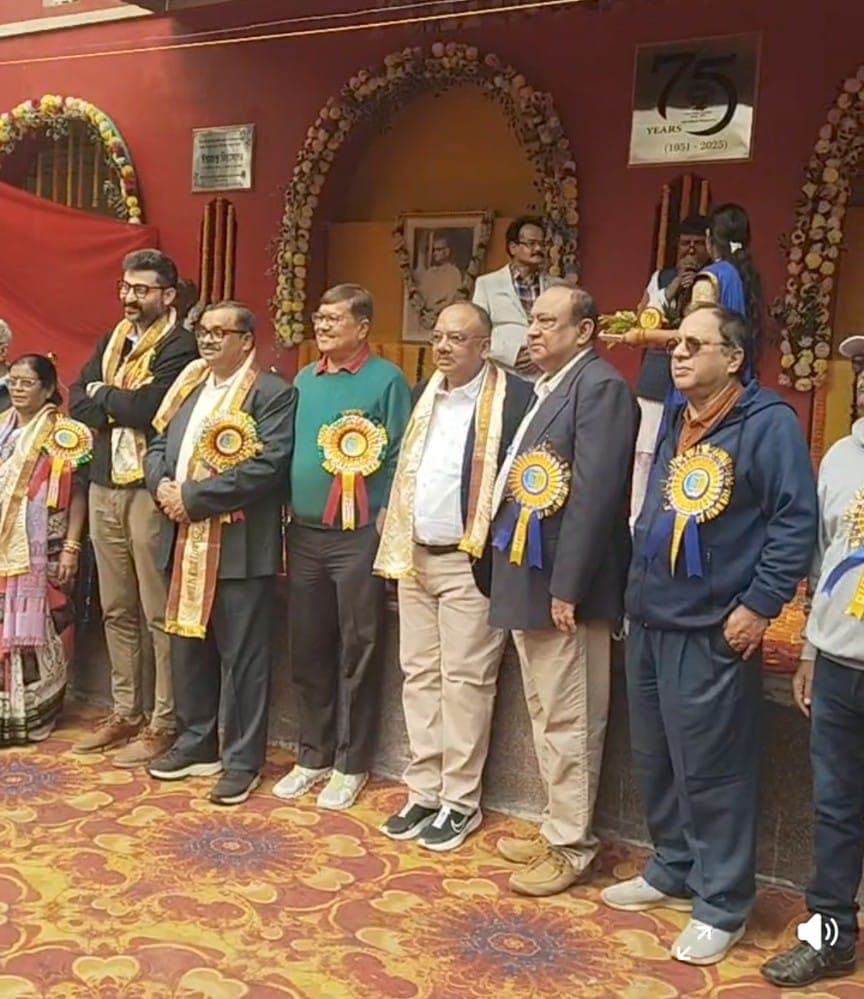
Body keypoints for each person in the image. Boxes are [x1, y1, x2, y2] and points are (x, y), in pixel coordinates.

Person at [604, 305, 818, 966]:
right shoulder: (677, 416)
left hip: (713, 627)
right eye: (677, 343)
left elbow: (794, 523)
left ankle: (722, 900)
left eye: (696, 345)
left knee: (715, 769)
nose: (680, 353)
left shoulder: (768, 424)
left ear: (734, 356)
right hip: (652, 616)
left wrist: (758, 606)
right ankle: (672, 864)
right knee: (657, 754)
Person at [488, 281, 639, 896]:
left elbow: (595, 498)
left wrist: (568, 586)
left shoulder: (600, 387)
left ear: (585, 331)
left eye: (549, 322)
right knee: (547, 711)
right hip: (531, 576)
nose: (534, 332)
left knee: (572, 716)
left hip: (565, 587)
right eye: (532, 321)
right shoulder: (551, 386)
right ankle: (555, 825)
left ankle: (573, 844)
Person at [374, 302, 533, 851]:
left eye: (457, 339)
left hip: (469, 563)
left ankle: (459, 802)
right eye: (438, 337)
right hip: (414, 556)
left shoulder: (513, 400)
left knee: (465, 682)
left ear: (484, 347)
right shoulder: (427, 393)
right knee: (418, 674)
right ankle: (424, 789)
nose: (443, 347)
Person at [144, 301, 296, 806]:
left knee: (244, 659)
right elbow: (158, 444)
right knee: (189, 647)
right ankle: (196, 742)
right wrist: (164, 486)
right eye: (203, 332)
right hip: (182, 538)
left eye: (219, 333)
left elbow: (268, 465)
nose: (208, 341)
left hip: (239, 549)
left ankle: (242, 761)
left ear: (246, 340)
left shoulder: (272, 393)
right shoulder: (189, 385)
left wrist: (192, 498)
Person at [274, 284, 411, 810]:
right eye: (318, 315)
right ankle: (312, 755)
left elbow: (401, 455)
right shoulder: (305, 377)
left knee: (359, 647)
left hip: (358, 537)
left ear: (362, 327)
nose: (323, 325)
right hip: (304, 532)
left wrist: (382, 522)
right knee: (307, 647)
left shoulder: (388, 381)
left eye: (334, 318)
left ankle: (351, 764)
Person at [761, 336, 864, 988]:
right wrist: (809, 650)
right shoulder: (841, 458)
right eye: (863, 369)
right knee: (835, 807)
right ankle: (833, 933)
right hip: (839, 665)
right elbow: (824, 560)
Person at [69, 249, 199, 765]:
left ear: (167, 295)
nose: (129, 297)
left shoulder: (180, 346)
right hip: (103, 485)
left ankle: (164, 719)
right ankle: (125, 711)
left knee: (155, 609)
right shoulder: (112, 339)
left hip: (148, 490)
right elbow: (77, 397)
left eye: (141, 289)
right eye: (125, 287)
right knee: (115, 606)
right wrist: (107, 398)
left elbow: (151, 410)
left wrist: (107, 397)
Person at [0, 354, 91, 743]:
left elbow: (80, 491)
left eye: (27, 383)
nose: (18, 390)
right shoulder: (2, 428)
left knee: (41, 630)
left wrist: (71, 545)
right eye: (13, 382)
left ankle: (37, 712)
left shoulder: (65, 433)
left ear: (50, 389)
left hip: (44, 545)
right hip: (4, 539)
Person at [631, 217, 708, 525]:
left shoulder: (715, 280)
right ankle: (637, 519)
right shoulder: (662, 277)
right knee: (644, 453)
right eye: (684, 244)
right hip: (656, 376)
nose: (690, 250)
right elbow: (642, 318)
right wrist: (675, 285)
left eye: (697, 244)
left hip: (694, 377)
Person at [472, 216, 552, 379]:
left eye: (542, 244)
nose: (538, 248)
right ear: (513, 247)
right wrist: (512, 354)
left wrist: (540, 355)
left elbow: (565, 330)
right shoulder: (487, 284)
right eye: (531, 243)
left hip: (545, 373)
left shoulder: (557, 287)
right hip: (502, 371)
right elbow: (476, 332)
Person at [416, 233, 463, 319]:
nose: (435, 253)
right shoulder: (430, 272)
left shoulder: (453, 272)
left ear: (447, 251)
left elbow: (453, 299)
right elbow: (422, 296)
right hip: (426, 316)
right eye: (433, 250)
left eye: (438, 249)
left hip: (445, 315)